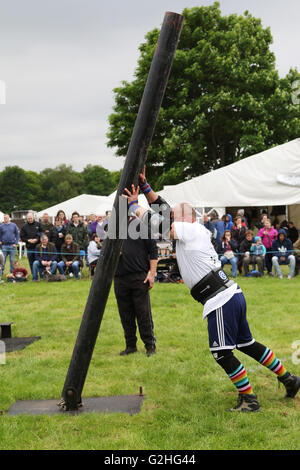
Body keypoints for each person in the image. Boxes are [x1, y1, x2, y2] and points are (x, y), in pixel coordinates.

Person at [122, 167, 300, 412]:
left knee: (222, 353)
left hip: (220, 299)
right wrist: (145, 187)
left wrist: (134, 207)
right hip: (230, 294)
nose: (169, 216)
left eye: (174, 215)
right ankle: (289, 379)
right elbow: (163, 209)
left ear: (185, 217)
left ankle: (249, 399)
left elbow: (162, 225)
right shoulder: (193, 229)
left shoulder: (190, 229)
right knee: (247, 344)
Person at [114, 216, 158, 357]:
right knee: (125, 314)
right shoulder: (114, 229)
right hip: (120, 277)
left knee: (143, 313)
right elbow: (106, 251)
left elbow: (153, 250)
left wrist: (152, 274)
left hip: (139, 276)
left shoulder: (141, 226)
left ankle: (150, 346)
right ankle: (130, 345)